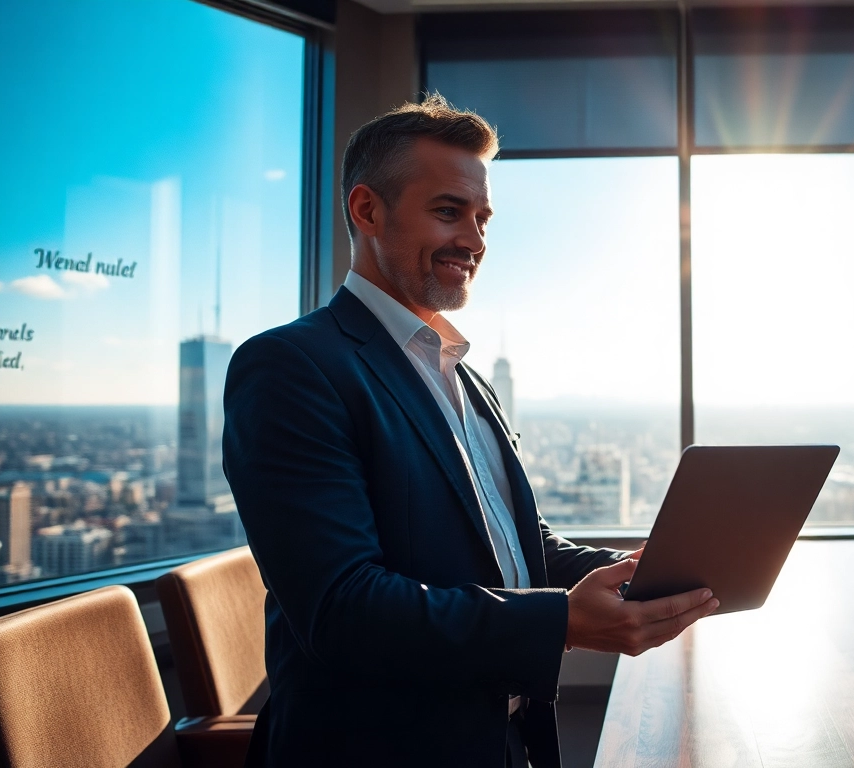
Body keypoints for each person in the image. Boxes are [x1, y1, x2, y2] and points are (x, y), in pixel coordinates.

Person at [223, 95, 718, 767]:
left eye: (482, 217)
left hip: (503, 743)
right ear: (367, 210)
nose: (476, 241)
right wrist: (562, 622)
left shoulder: (462, 375)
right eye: (449, 211)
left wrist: (636, 573)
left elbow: (512, 544)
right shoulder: (292, 366)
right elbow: (341, 608)